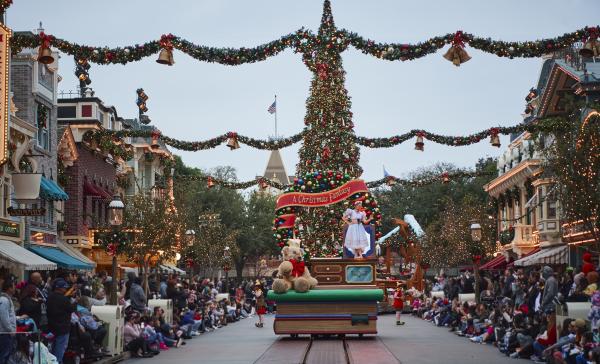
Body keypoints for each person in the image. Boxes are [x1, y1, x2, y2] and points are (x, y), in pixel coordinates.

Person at [47, 278, 76, 364]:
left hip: (51, 327)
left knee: (53, 349)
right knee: (60, 349)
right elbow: (71, 309)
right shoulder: (64, 299)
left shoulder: (50, 297)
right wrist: (75, 301)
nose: (65, 289)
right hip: (63, 328)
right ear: (59, 288)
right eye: (64, 288)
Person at [0, 280, 17, 363]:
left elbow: (9, 315)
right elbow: (3, 317)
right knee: (3, 355)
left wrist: (18, 317)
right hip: (4, 334)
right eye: (14, 286)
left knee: (6, 355)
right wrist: (10, 330)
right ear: (9, 288)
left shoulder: (7, 299)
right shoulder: (4, 300)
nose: (15, 288)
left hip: (7, 333)